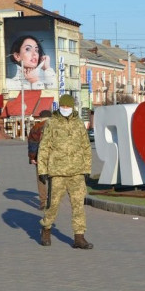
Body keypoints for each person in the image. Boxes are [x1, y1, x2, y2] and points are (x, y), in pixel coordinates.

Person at [37, 94, 93, 249]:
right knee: (53, 205)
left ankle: (79, 237)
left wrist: (87, 168)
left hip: (76, 171)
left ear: (72, 107)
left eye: (68, 107)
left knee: (78, 205)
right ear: (59, 106)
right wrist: (42, 170)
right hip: (58, 172)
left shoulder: (78, 124)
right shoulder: (52, 123)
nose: (65, 109)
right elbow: (44, 147)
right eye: (63, 106)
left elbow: (86, 147)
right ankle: (46, 228)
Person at [28, 110, 52, 210]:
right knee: (53, 179)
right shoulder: (56, 127)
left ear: (41, 117)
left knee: (41, 179)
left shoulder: (36, 128)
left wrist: (32, 157)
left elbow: (33, 144)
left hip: (40, 158)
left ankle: (43, 202)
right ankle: (52, 201)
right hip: (54, 158)